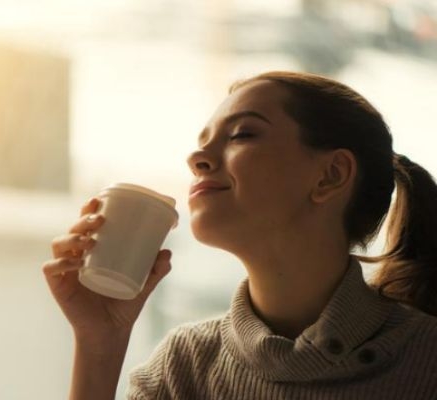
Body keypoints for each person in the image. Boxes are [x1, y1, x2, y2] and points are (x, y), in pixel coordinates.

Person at [41, 71, 437, 399]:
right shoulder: (184, 368)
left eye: (242, 134)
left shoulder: (427, 361)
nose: (196, 159)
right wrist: (99, 343)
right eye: (203, 142)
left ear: (331, 175)